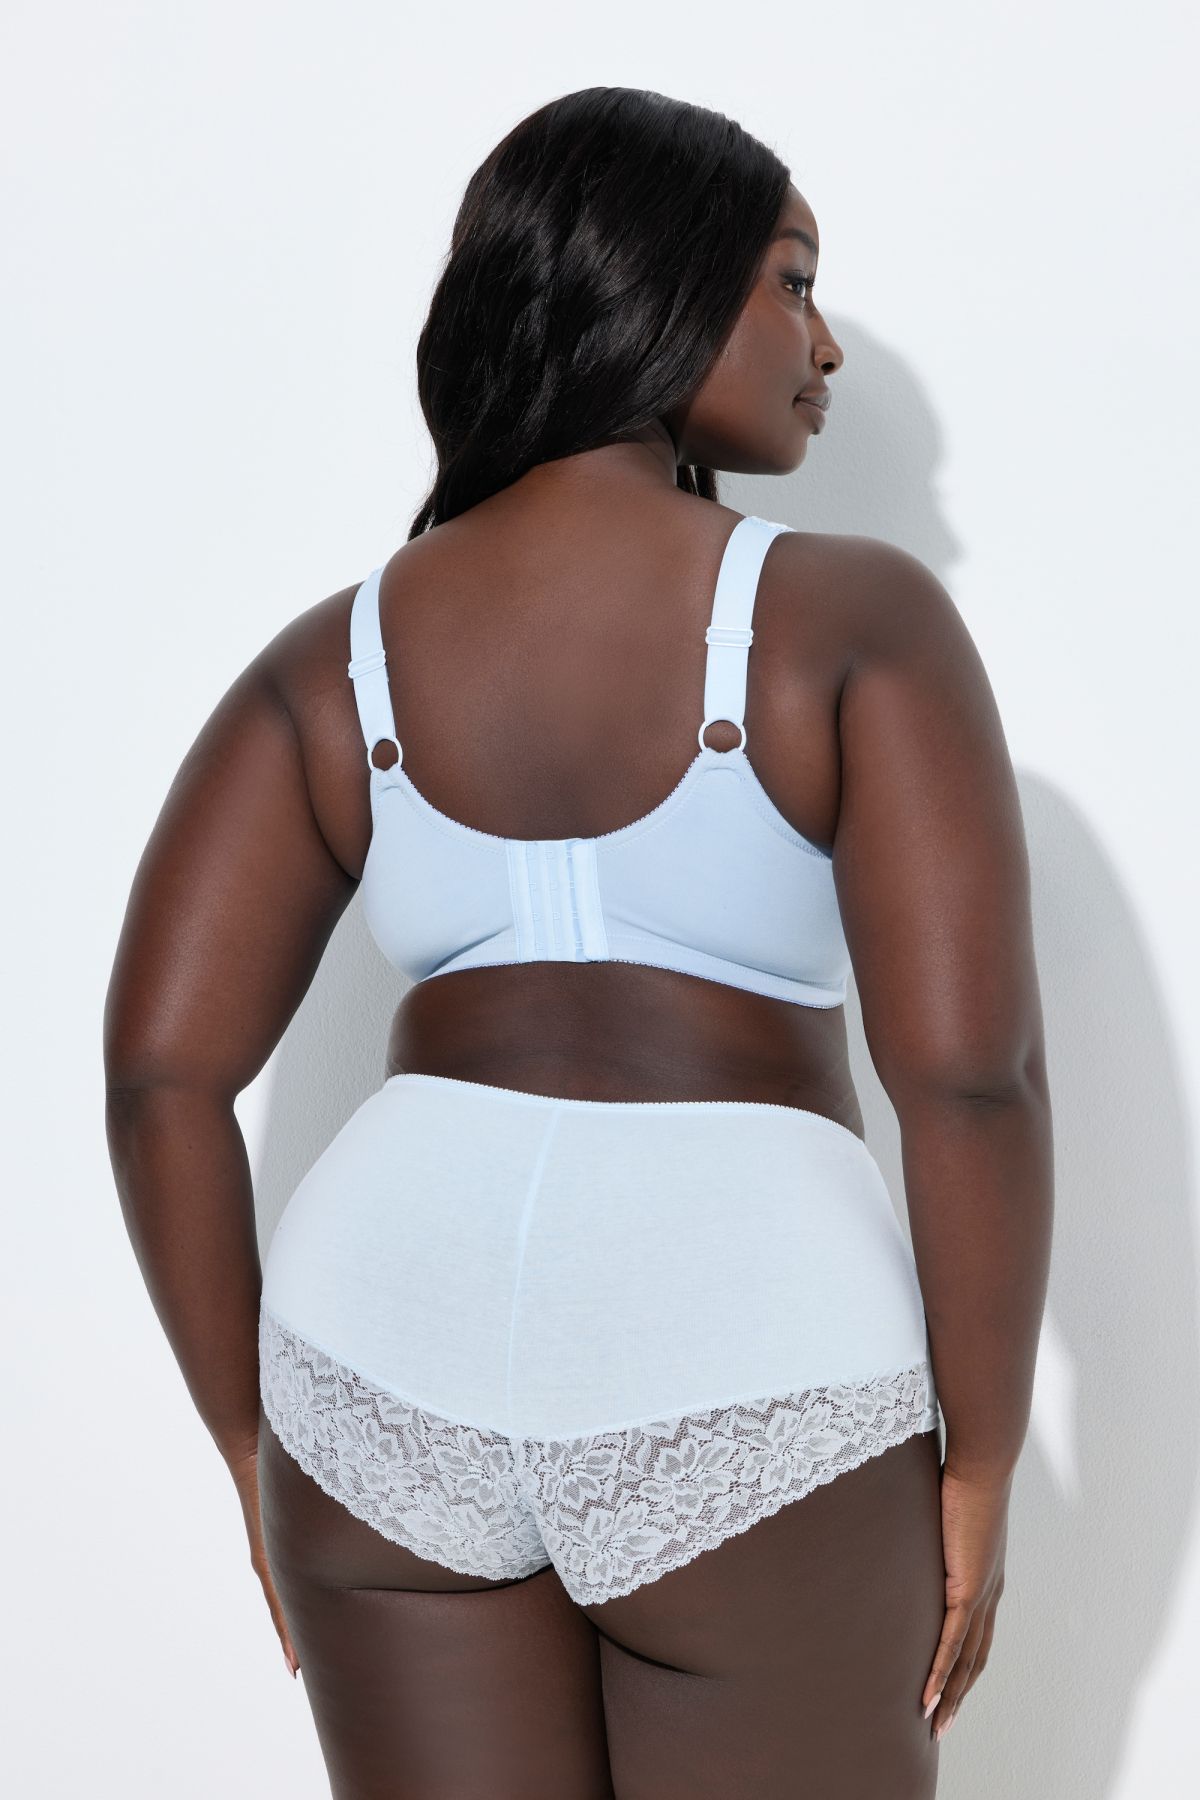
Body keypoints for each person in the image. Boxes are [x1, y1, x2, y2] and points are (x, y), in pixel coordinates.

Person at [103, 86, 1053, 1800]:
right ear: (664, 285)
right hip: (751, 1347)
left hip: (375, 1370)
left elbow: (158, 1073)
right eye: (791, 280)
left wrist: (254, 1440)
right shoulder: (849, 619)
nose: (823, 343)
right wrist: (982, 1459)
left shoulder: (334, 657)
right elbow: (971, 1079)